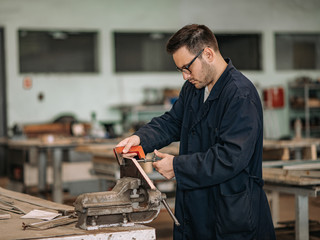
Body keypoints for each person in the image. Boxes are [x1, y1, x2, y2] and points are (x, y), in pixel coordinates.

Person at [116, 24, 275, 240]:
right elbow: (173, 122)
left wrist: (177, 167)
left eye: (187, 67)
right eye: (180, 69)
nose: (184, 76)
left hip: (230, 214)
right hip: (197, 208)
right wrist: (140, 139)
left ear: (208, 53)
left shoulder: (240, 95)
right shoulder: (194, 88)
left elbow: (230, 158)